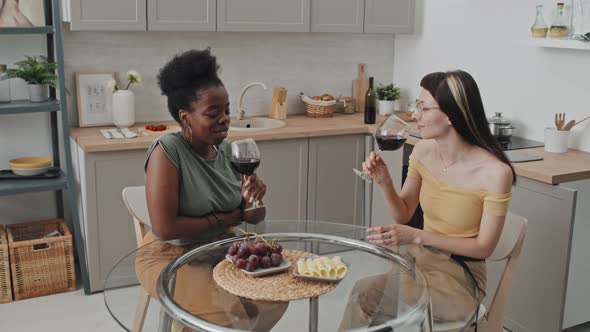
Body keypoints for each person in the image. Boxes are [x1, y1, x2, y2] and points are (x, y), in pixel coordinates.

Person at [340, 70, 515, 329]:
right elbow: (403, 214)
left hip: (461, 277)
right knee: (361, 293)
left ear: (451, 115)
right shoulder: (423, 150)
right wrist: (384, 181)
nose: (415, 115)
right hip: (418, 262)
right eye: (416, 106)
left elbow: (483, 248)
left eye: (424, 108)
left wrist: (417, 236)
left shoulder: (495, 173)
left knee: (398, 305)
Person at [135, 49, 285, 331]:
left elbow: (254, 217)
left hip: (220, 248)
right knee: (226, 318)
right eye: (213, 113)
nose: (225, 119)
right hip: (169, 254)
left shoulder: (231, 152)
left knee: (273, 298)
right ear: (186, 117)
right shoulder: (168, 150)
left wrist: (254, 200)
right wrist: (231, 218)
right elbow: (165, 229)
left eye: (227, 110)